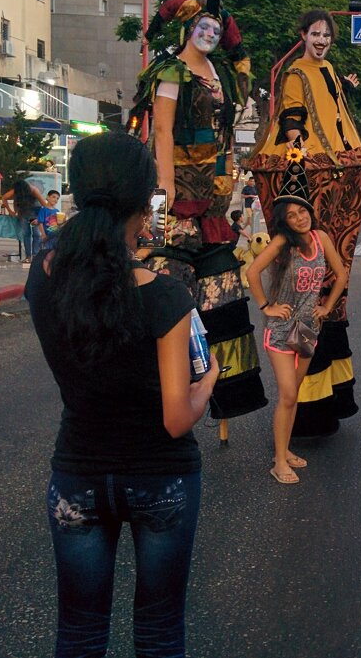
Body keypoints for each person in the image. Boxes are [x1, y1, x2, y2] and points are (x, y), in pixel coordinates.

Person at [25, 131, 220, 657]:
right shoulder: (165, 295)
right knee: (159, 632)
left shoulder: (42, 279)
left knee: (80, 632)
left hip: (77, 475)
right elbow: (178, 418)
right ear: (140, 202)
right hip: (162, 478)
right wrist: (210, 380)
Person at [133, 0, 266, 425]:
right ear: (187, 30)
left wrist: (231, 177)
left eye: (214, 29)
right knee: (160, 291)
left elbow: (227, 136)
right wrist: (164, 187)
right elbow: (163, 132)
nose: (208, 35)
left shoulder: (219, 74)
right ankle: (155, 402)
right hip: (168, 197)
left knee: (224, 300)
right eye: (201, 28)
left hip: (213, 197)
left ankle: (227, 402)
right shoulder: (171, 70)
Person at [248, 9, 361, 436]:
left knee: (331, 289)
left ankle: (326, 398)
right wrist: (295, 140)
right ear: (302, 35)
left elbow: (336, 112)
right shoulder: (295, 72)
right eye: (315, 33)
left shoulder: (330, 69)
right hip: (311, 166)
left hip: (339, 165)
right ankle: (298, 409)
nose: (321, 40)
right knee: (309, 286)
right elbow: (293, 113)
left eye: (326, 35)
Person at [245, 167, 348, 485]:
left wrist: (326, 308)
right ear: (284, 221)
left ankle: (285, 449)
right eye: (292, 215)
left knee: (293, 395)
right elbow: (252, 273)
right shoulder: (281, 243)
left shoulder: (322, 238)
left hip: (305, 328)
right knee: (288, 393)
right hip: (279, 328)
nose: (300, 217)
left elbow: (341, 274)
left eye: (302, 210)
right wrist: (267, 307)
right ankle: (279, 461)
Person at [1, 179, 48, 262]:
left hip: (34, 211)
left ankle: (34, 255)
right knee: (28, 234)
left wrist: (39, 218)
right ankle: (29, 256)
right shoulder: (19, 189)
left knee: (35, 234)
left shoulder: (33, 190)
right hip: (24, 212)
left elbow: (44, 205)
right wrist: (10, 211)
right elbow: (4, 198)